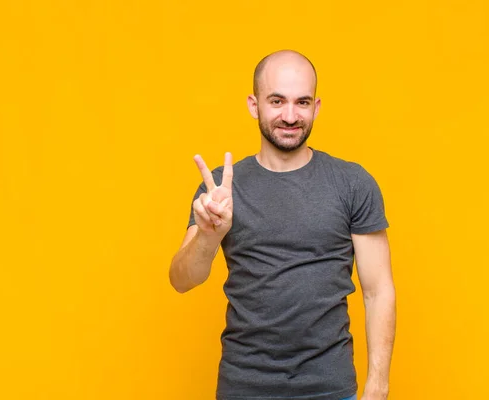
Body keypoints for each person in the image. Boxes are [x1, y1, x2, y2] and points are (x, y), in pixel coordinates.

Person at [169, 50, 396, 400]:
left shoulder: (353, 183)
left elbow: (378, 291)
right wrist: (208, 237)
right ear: (254, 104)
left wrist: (377, 388)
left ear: (316, 107)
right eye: (277, 101)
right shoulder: (220, 189)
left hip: (332, 391)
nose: (290, 116)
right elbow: (182, 280)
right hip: (243, 389)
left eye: (301, 102)